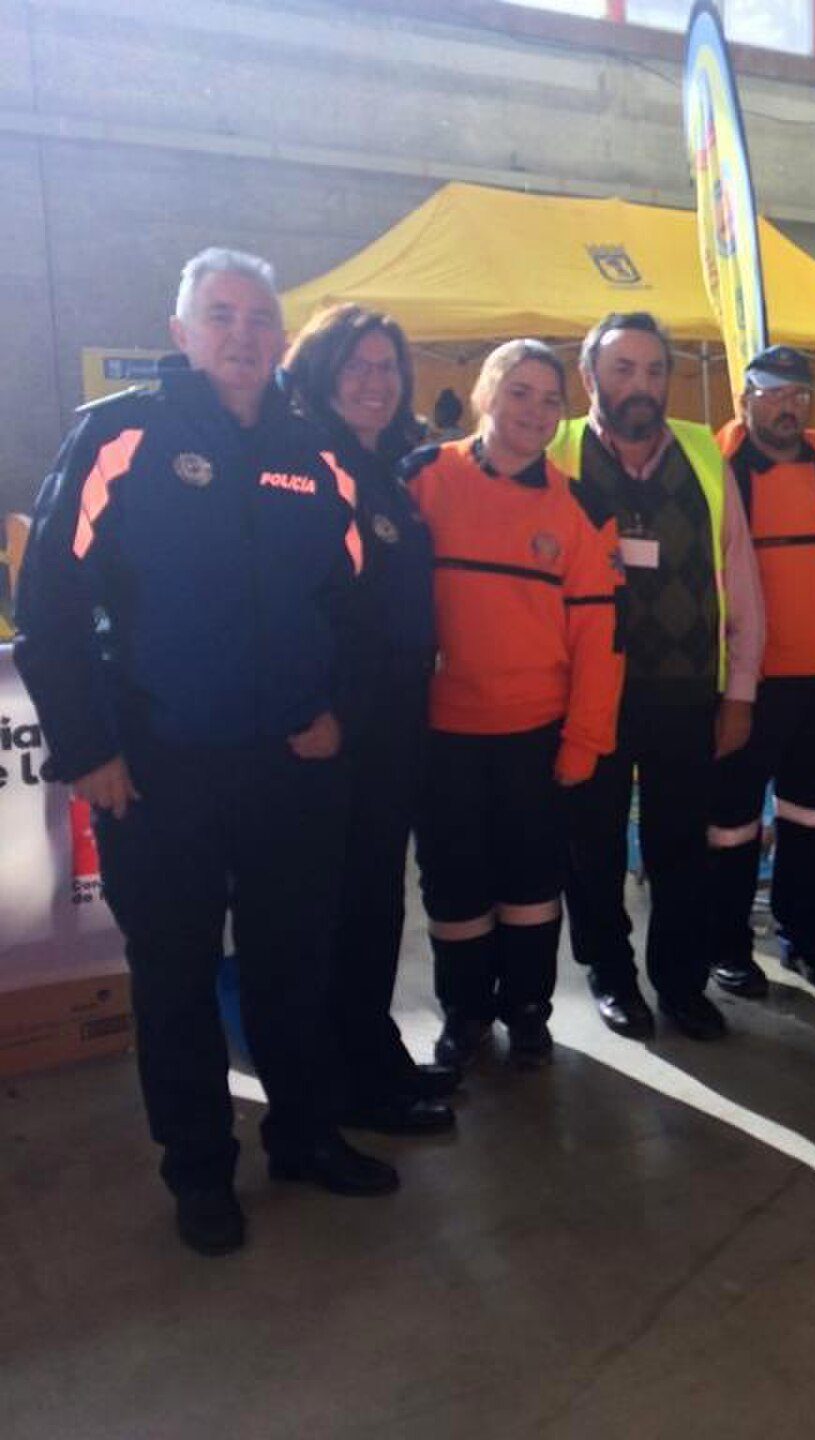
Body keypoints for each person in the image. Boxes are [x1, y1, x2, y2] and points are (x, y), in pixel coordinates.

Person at [14, 248, 397, 1257]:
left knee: (292, 968)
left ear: (280, 339)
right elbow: (48, 606)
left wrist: (341, 716)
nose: (241, 335)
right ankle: (198, 1172)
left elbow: (364, 610)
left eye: (259, 320)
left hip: (291, 769)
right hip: (157, 772)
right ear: (181, 332)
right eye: (219, 316)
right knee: (176, 978)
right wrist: (88, 748)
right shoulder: (120, 436)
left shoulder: (315, 450)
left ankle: (306, 1136)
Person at [405, 340, 622, 1067]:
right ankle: (464, 1013)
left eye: (550, 399)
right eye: (519, 391)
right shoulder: (424, 480)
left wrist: (584, 741)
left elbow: (602, 637)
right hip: (440, 736)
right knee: (455, 884)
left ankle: (528, 1008)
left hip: (538, 735)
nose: (534, 410)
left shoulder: (581, 508)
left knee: (533, 883)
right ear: (485, 393)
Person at [557, 313, 765, 1042]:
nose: (639, 386)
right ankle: (611, 977)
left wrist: (740, 689)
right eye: (622, 370)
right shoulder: (558, 453)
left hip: (684, 695)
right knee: (593, 849)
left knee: (681, 848)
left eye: (653, 371)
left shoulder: (706, 454)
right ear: (590, 378)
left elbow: (740, 578)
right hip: (587, 698)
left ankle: (680, 982)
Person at [281, 304, 454, 1135]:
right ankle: (338, 1085)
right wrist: (324, 711)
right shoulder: (304, 464)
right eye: (356, 364)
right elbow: (296, 605)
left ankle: (371, 1053)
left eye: (387, 367)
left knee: (377, 904)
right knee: (333, 911)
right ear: (319, 371)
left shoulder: (383, 468)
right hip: (335, 730)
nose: (374, 381)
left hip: (392, 722)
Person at [709, 346, 815, 992]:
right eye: (772, 393)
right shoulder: (720, 473)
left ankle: (806, 937)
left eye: (799, 394)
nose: (788, 405)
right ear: (745, 401)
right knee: (733, 827)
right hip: (748, 688)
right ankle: (727, 947)